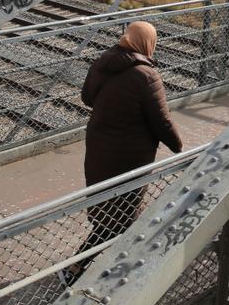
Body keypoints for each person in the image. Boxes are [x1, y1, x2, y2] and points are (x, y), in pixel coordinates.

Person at [72, 22, 183, 277]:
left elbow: (87, 98)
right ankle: (80, 265)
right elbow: (162, 121)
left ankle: (115, 265)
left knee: (107, 208)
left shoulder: (105, 61)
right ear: (147, 43)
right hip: (129, 157)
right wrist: (178, 146)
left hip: (100, 147)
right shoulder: (146, 75)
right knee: (122, 215)